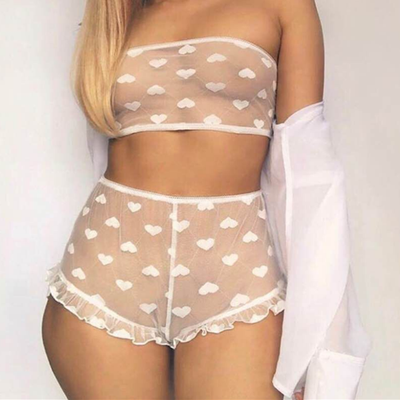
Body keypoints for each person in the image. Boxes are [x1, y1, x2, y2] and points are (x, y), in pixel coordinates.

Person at [41, 0, 372, 399]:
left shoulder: (284, 5)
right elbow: (101, 150)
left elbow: (308, 173)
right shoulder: (121, 13)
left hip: (237, 275)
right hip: (106, 273)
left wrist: (324, 357)